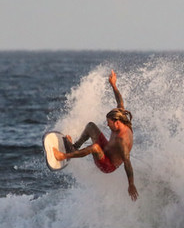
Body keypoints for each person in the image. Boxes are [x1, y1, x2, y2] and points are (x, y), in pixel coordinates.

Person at [54, 70, 138, 201]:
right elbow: (120, 102)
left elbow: (127, 162)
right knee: (91, 126)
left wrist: (131, 184)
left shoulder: (122, 140)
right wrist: (113, 85)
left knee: (95, 147)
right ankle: (74, 147)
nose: (107, 125)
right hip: (107, 149)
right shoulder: (121, 118)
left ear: (116, 122)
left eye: (109, 123)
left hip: (108, 164)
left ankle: (64, 156)